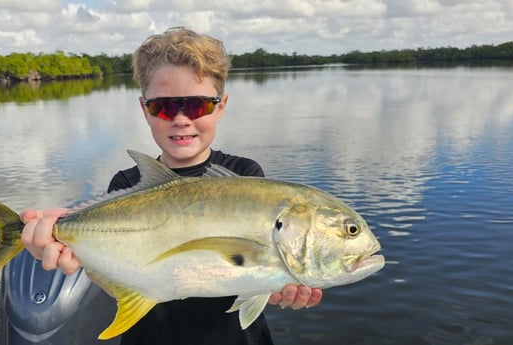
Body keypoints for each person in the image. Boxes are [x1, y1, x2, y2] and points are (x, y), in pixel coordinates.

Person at [19, 27, 323, 344]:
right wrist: (71, 249)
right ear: (145, 110)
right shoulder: (128, 183)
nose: (180, 119)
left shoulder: (244, 175)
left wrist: (281, 284)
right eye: (163, 106)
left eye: (197, 106)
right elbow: (113, 281)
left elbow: (260, 267)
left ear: (221, 106)